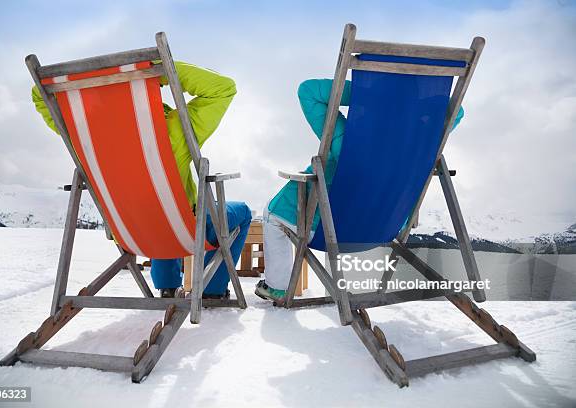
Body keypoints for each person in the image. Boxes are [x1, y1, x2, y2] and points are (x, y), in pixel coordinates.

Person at [32, 61, 251, 299]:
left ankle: (167, 286)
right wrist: (161, 70)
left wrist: (88, 83)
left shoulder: (83, 136)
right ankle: (212, 290)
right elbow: (223, 88)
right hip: (183, 230)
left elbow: (39, 94)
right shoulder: (173, 131)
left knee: (152, 210)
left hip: (130, 233)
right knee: (240, 212)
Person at [255, 78, 464, 302]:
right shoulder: (420, 142)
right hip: (385, 230)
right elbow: (456, 110)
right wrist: (405, 103)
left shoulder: (349, 139)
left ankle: (277, 286)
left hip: (331, 232)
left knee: (272, 213)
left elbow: (308, 91)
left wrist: (369, 93)